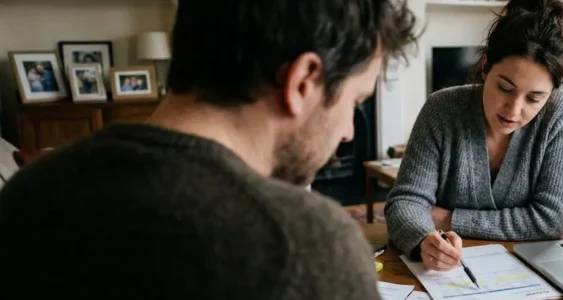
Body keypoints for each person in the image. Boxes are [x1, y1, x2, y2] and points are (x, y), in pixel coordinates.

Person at [0, 0, 417, 299]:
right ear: (303, 81)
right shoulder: (304, 244)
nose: (348, 132)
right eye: (355, 103)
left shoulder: (27, 193)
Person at [384, 0, 563, 271]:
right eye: (505, 87)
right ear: (486, 66)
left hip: (536, 273)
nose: (514, 110)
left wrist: (450, 220)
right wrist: (424, 239)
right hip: (446, 276)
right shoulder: (441, 109)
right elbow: (406, 201)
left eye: (534, 98)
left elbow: (552, 221)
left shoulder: (561, 114)